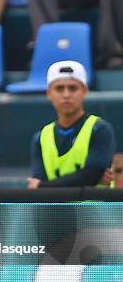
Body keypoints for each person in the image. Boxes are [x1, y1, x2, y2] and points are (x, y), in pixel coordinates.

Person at [28, 60, 115, 189]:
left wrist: (43, 186)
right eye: (59, 88)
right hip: (59, 209)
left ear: (84, 91)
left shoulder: (100, 129)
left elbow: (91, 174)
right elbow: (90, 177)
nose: (66, 95)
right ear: (49, 93)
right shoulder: (40, 138)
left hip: (97, 208)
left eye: (73, 88)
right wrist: (87, 179)